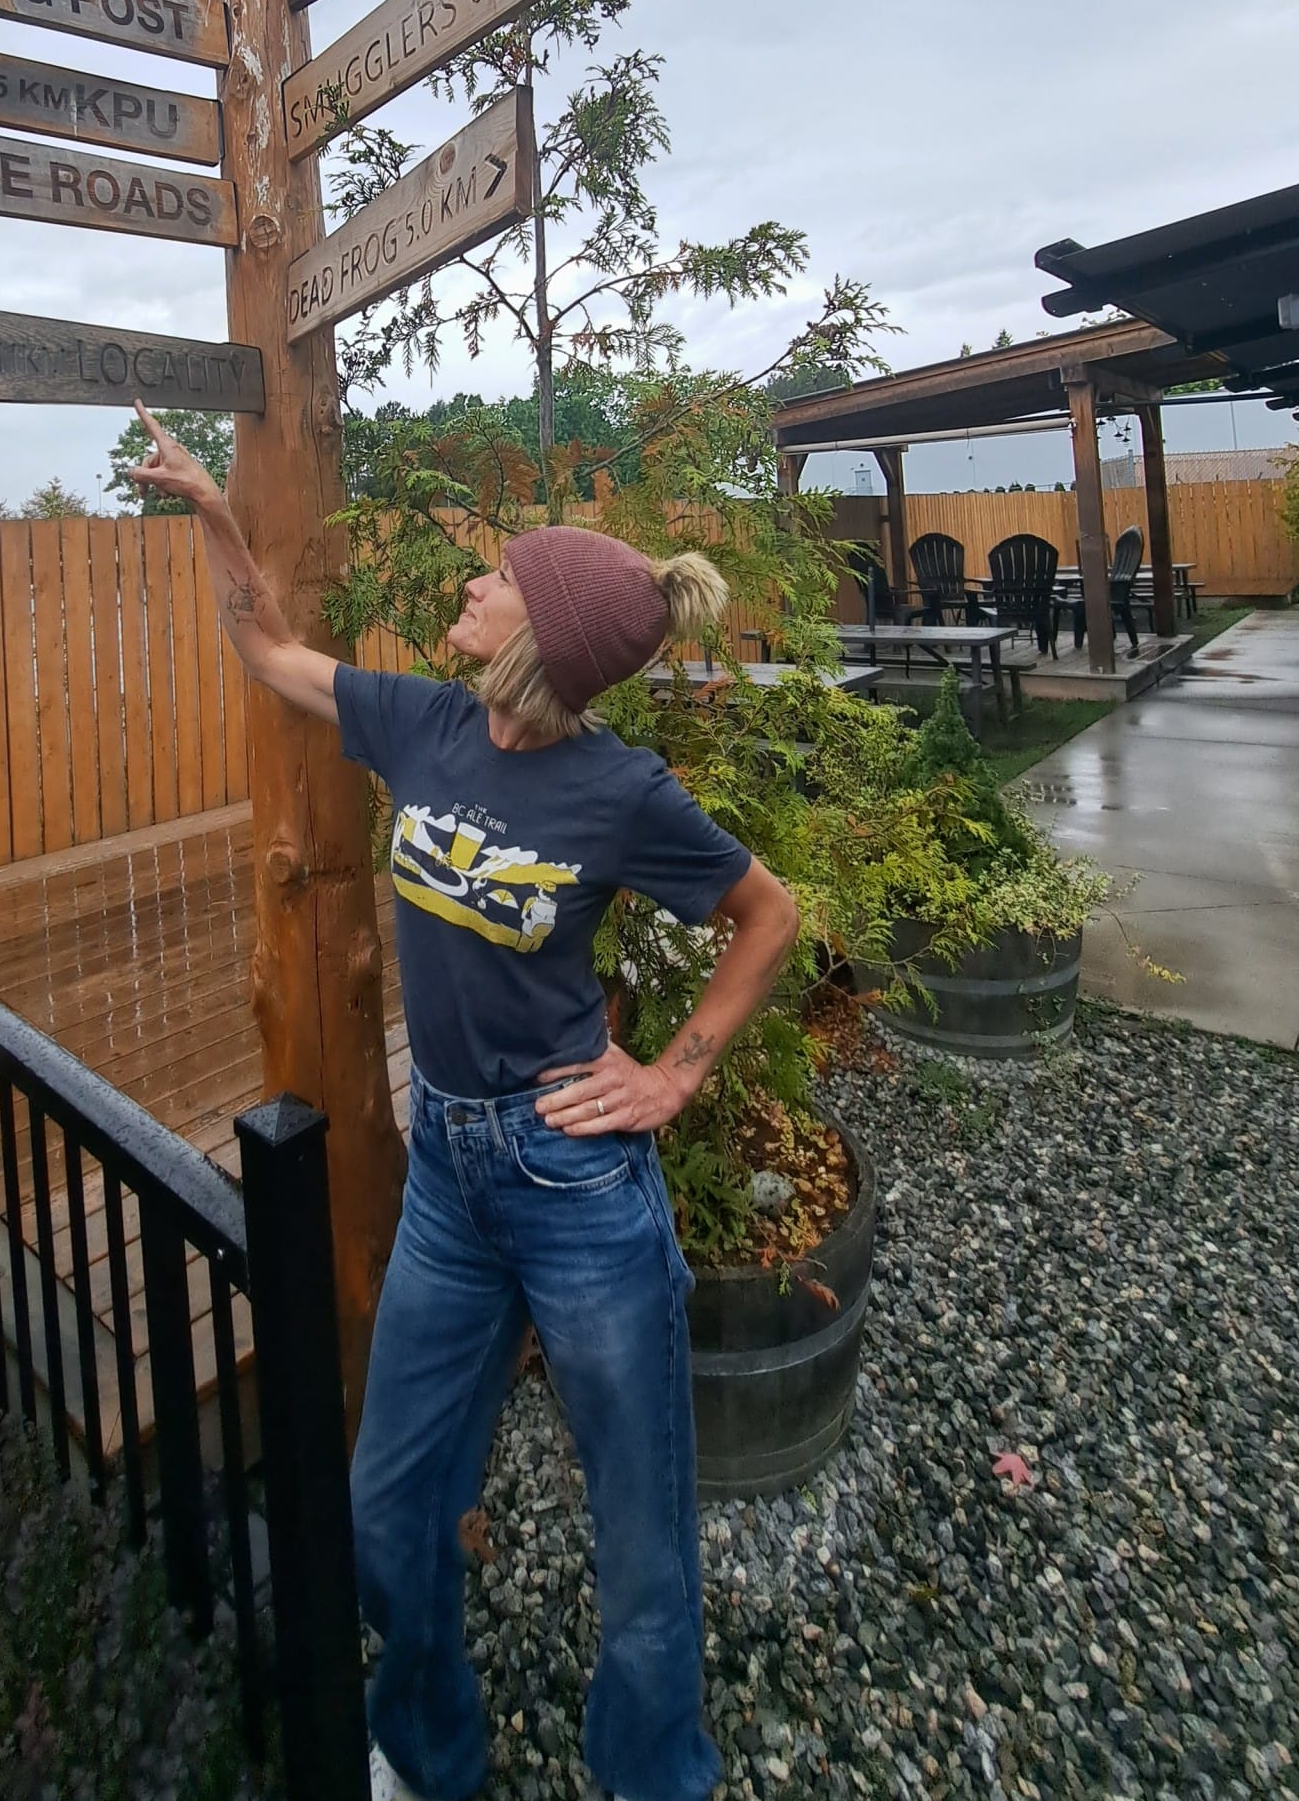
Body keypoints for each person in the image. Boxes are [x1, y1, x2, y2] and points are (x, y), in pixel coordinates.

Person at [122, 406, 799, 1801]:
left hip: (572, 1189)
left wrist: (674, 1073)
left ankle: (653, 1776)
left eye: (494, 578)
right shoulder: (425, 723)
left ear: (534, 638)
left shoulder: (621, 791)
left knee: (644, 1539)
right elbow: (264, 649)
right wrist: (210, 510)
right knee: (388, 1508)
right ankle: (430, 1756)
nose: (467, 587)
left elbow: (765, 915)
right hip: (447, 1172)